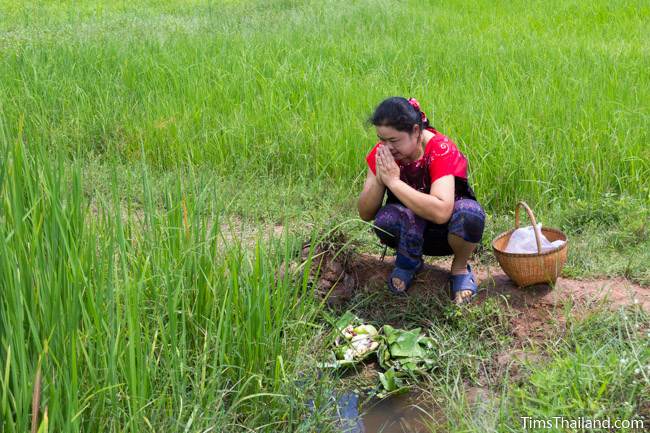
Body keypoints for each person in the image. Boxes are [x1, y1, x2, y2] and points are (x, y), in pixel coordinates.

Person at [357, 96, 486, 305]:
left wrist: (395, 183)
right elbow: (365, 213)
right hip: (409, 233)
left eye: (394, 140)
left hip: (447, 232)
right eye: (382, 139)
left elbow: (442, 211)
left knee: (470, 216)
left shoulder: (440, 148)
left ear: (416, 131)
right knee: (385, 219)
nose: (387, 147)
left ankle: (460, 268)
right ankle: (409, 261)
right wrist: (381, 179)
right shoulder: (383, 154)